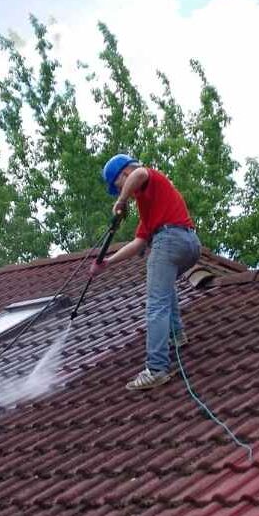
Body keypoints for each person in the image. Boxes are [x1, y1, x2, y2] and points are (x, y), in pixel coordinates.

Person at [89, 154, 201, 390]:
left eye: (118, 184)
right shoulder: (150, 206)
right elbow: (139, 243)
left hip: (169, 239)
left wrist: (121, 200)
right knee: (164, 287)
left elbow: (139, 174)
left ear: (124, 174)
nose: (121, 189)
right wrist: (107, 263)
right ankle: (176, 335)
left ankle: (157, 368)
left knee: (156, 303)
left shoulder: (148, 176)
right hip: (190, 245)